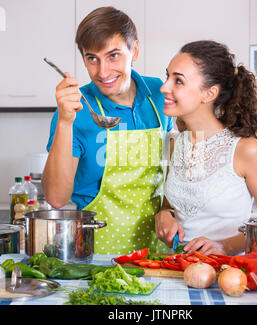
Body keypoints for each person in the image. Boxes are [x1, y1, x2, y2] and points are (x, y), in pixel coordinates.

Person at [42, 7, 173, 255]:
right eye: (92, 58)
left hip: (156, 252)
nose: (102, 72)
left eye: (113, 56)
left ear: (134, 51)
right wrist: (65, 122)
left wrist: (169, 209)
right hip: (97, 253)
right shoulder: (76, 109)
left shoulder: (159, 93)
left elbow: (177, 164)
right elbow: (56, 199)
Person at [155, 40, 257, 256]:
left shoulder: (246, 150)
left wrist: (225, 246)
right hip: (179, 269)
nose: (164, 87)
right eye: (167, 76)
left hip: (231, 275)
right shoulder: (175, 144)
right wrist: (164, 214)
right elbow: (170, 204)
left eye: (178, 81)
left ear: (209, 93)